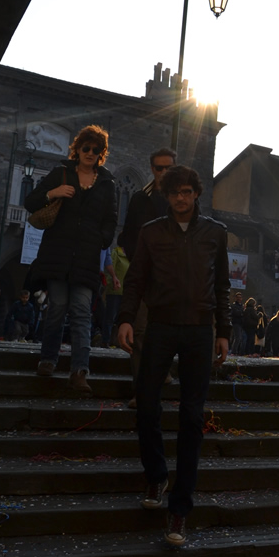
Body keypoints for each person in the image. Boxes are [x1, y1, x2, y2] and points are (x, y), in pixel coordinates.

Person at [117, 164, 230, 547]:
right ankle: (156, 473)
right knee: (146, 404)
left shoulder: (216, 233)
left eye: (187, 191)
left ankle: (180, 509)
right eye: (174, 193)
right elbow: (135, 280)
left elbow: (223, 286)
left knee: (192, 416)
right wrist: (126, 319)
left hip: (200, 329)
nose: (181, 198)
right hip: (162, 326)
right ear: (166, 196)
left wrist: (225, 331)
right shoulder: (151, 233)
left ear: (196, 193)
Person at [25, 125, 117, 393]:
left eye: (95, 149)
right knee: (56, 309)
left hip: (87, 257)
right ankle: (48, 359)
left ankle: (79, 370)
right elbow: (31, 202)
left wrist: (104, 239)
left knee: (80, 312)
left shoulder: (106, 183)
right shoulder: (61, 174)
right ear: (77, 149)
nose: (90, 152)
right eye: (86, 148)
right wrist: (53, 193)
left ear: (101, 154)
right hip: (58, 254)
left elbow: (111, 217)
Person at [118, 147, 176, 406]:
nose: (163, 172)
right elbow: (128, 235)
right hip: (145, 273)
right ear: (152, 169)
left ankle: (161, 370)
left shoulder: (182, 199)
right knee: (140, 331)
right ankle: (141, 391)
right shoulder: (141, 199)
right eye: (159, 168)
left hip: (173, 277)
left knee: (167, 330)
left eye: (168, 168)